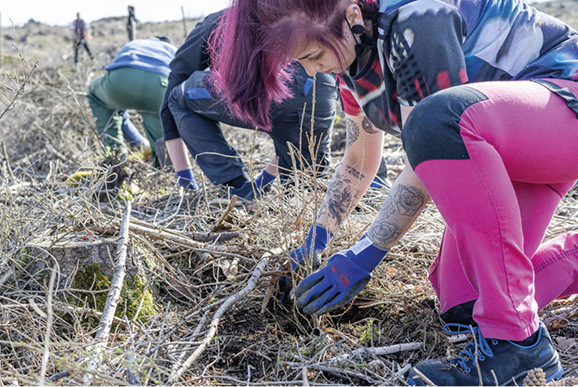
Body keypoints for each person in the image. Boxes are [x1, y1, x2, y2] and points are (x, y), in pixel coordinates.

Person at [211, 0, 578, 385]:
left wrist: (364, 254)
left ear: (352, 15)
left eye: (314, 55)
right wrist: (314, 241)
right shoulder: (352, 58)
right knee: (464, 307)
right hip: (510, 151)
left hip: (561, 106)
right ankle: (516, 306)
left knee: (435, 120)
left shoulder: (419, 17)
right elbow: (358, 162)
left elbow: (434, 139)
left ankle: (517, 344)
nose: (311, 69)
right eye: (300, 61)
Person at [161, 11, 341, 201]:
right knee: (304, 196)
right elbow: (291, 117)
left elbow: (175, 85)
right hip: (322, 91)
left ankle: (236, 185)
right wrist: (265, 179)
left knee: (178, 96)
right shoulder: (296, 12)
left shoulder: (221, 19)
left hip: (274, 86)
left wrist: (185, 179)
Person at [87, 37, 177, 167]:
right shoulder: (172, 49)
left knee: (95, 94)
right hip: (160, 86)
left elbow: (121, 114)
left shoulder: (135, 44)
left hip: (122, 80)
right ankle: (165, 174)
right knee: (162, 135)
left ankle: (115, 161)